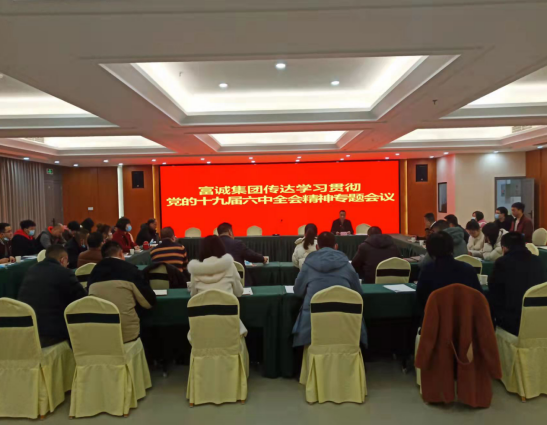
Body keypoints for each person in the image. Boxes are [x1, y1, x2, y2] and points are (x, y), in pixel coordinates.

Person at [292, 231, 367, 347]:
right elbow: (358, 292)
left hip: (312, 329)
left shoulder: (308, 263)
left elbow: (297, 291)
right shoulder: (346, 264)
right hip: (346, 328)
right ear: (336, 246)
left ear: (317, 247)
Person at [87, 241, 156, 343]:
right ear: (120, 253)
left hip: (101, 333)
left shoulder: (93, 274)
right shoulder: (130, 271)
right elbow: (149, 302)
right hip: (127, 335)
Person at [17, 245, 86, 347]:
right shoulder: (65, 273)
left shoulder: (31, 270)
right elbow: (83, 300)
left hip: (26, 332)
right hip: (50, 335)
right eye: (67, 263)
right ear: (63, 260)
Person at [488, 232, 547, 335]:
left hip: (512, 323)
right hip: (539, 320)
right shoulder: (538, 261)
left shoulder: (502, 263)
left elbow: (494, 292)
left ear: (504, 248)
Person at [417, 232, 483, 309]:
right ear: (452, 247)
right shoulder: (468, 269)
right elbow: (479, 297)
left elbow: (421, 299)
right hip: (466, 314)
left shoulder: (427, 271)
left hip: (436, 314)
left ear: (430, 251)